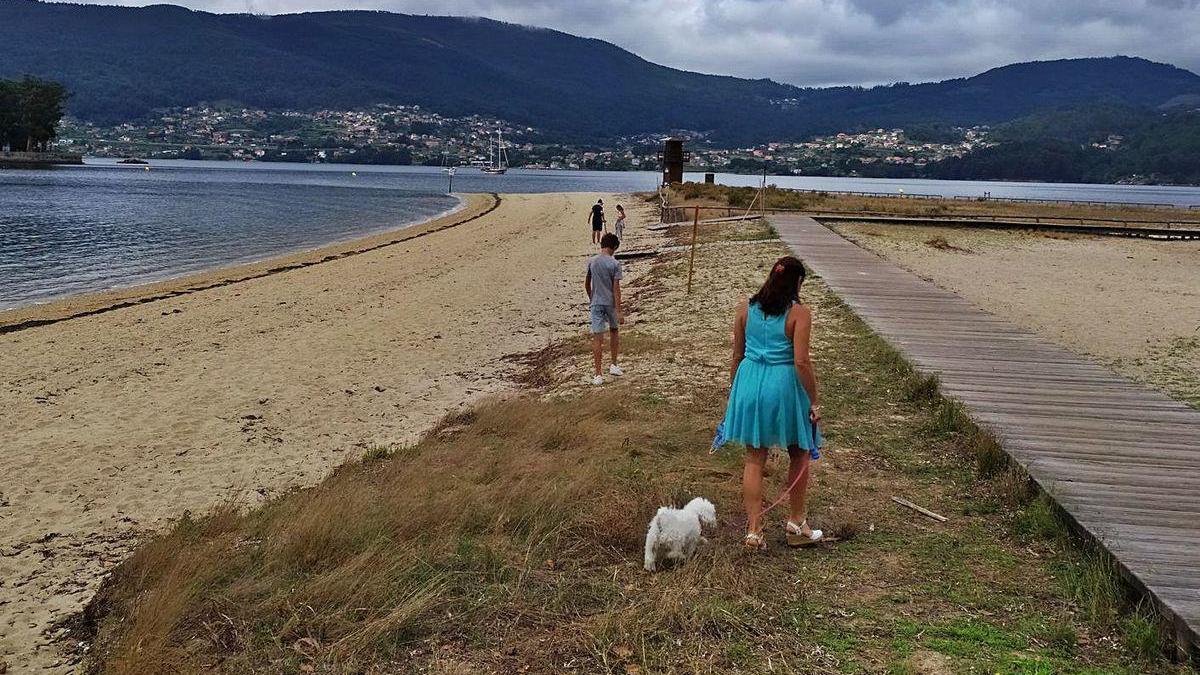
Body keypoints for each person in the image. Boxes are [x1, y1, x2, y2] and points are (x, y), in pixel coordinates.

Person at [720, 256, 823, 550]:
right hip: (783, 385)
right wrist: (814, 400)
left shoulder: (745, 309)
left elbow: (737, 356)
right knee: (799, 450)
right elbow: (801, 361)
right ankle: (796, 522)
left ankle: (754, 531)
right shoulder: (799, 314)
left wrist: (735, 392)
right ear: (797, 283)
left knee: (755, 457)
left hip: (750, 381)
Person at [585, 232, 624, 385]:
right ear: (614, 247)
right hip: (610, 303)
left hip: (596, 302)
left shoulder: (592, 261)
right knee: (614, 331)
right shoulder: (614, 264)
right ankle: (614, 364)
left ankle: (598, 373)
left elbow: (587, 284)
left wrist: (592, 298)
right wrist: (619, 311)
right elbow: (616, 289)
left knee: (597, 337)